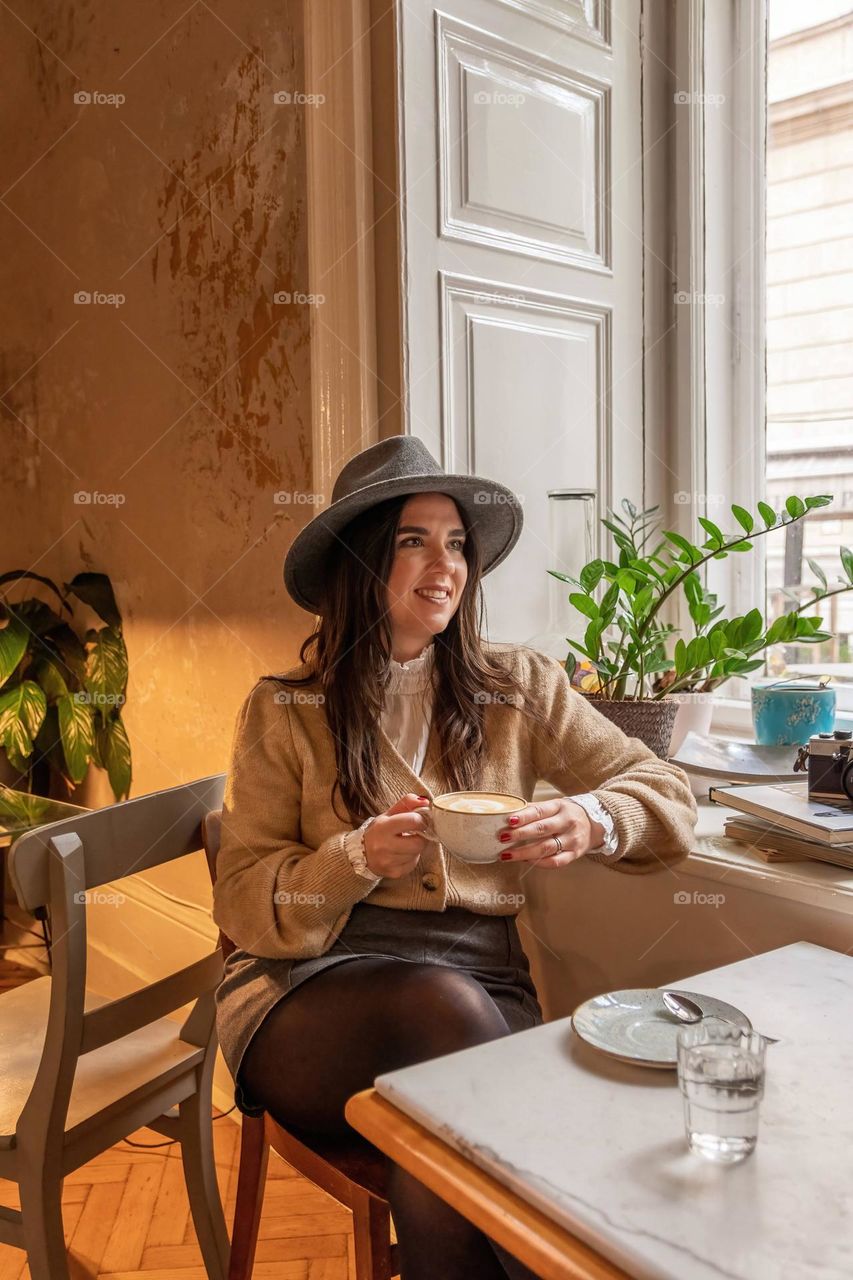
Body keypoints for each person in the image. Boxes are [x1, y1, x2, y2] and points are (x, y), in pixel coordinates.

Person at [213, 436, 698, 1279]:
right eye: (413, 541)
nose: (444, 566)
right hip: (308, 993)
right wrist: (354, 858)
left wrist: (591, 819)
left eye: (456, 544)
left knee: (442, 1140)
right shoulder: (285, 709)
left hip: (483, 985)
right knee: (461, 1046)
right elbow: (245, 902)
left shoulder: (519, 687)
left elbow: (665, 792)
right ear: (361, 562)